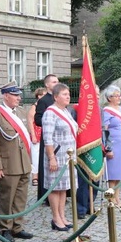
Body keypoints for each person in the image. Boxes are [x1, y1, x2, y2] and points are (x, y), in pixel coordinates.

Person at [0, 82, 34, 242]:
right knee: (7, 198)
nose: (19, 98)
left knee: (21, 197)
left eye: (19, 95)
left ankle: (17, 226)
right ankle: (5, 228)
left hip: (23, 162)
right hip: (8, 164)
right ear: (6, 95)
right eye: (15, 95)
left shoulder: (21, 112)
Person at [42, 83, 78, 231]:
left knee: (63, 188)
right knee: (55, 188)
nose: (68, 96)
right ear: (56, 97)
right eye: (64, 94)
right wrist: (51, 157)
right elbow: (47, 137)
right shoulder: (50, 112)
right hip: (56, 156)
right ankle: (56, 218)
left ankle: (62, 215)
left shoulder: (66, 111)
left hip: (68, 156)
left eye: (68, 94)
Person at [102, 85, 121, 206]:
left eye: (120, 95)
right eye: (116, 95)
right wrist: (108, 148)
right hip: (113, 144)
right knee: (112, 173)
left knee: (120, 172)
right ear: (109, 98)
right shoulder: (106, 111)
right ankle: (111, 198)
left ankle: (118, 197)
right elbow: (104, 130)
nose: (119, 97)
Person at [33, 74, 59, 201]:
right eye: (54, 82)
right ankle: (45, 195)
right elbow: (37, 120)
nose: (56, 83)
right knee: (46, 164)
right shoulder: (43, 101)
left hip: (60, 138)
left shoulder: (58, 100)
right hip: (48, 136)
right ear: (47, 85)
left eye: (57, 82)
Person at [27, 87, 46, 187]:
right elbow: (30, 121)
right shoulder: (34, 107)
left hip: (43, 134)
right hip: (36, 134)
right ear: (39, 96)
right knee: (35, 156)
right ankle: (35, 176)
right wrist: (33, 135)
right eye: (43, 95)